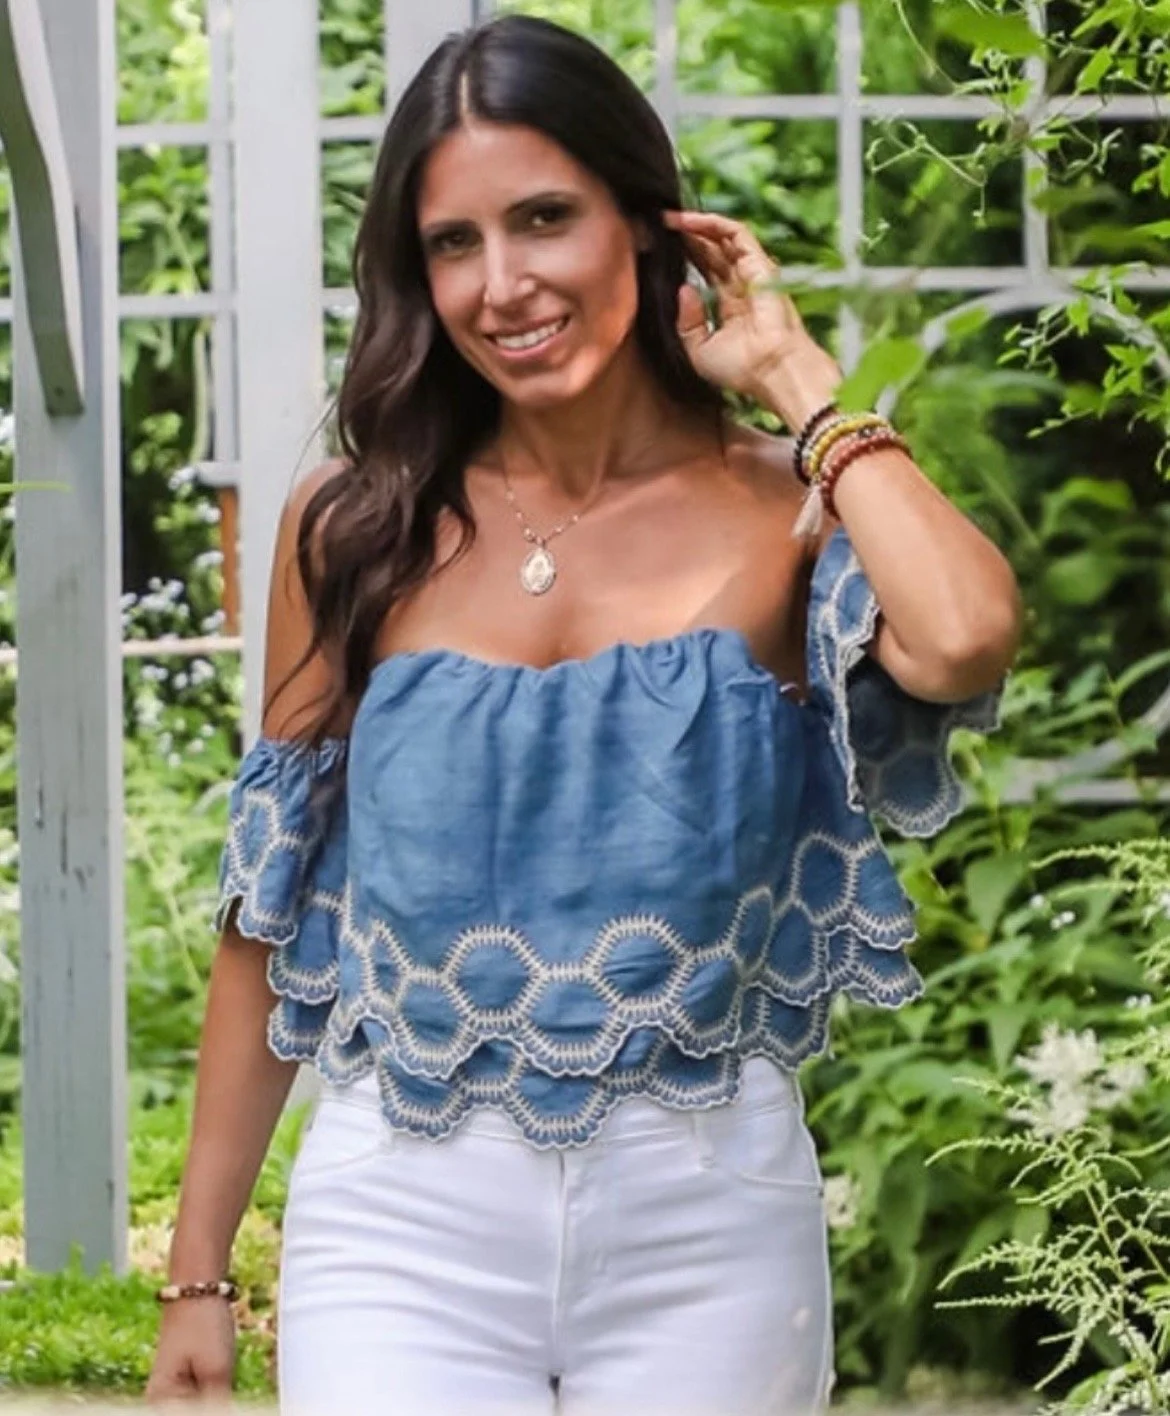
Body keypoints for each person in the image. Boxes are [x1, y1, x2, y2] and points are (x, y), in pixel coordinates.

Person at [146, 13, 1021, 1416]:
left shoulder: (780, 512)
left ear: (644, 221)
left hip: (707, 1216)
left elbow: (966, 636)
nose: (502, 285)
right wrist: (199, 1274)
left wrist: (801, 390)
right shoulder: (354, 527)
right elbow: (269, 913)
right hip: (398, 1213)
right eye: (452, 243)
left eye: (544, 219)